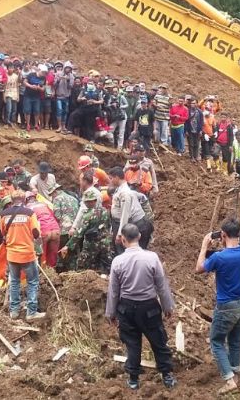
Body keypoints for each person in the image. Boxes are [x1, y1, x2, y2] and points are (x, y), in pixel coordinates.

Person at [105, 224, 177, 391]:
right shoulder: (152, 257)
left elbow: (113, 291)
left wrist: (111, 312)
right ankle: (167, 375)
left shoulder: (118, 261)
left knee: (132, 344)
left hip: (126, 308)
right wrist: (168, 306)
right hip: (149, 308)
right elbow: (162, 285)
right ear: (138, 237)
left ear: (123, 240)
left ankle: (133, 379)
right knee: (158, 342)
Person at [195, 219, 240, 394]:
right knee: (234, 341)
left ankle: (228, 380)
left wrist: (205, 246)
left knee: (216, 341)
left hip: (226, 306)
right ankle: (235, 374)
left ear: (223, 235)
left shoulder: (219, 257)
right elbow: (235, 250)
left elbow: (199, 268)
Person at [1, 190, 45, 320]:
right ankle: (31, 312)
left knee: (14, 282)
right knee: (32, 282)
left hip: (12, 254)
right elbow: (36, 233)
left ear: (11, 201)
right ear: (24, 200)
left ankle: (14, 311)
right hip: (27, 254)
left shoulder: (3, 215)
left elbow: (2, 232)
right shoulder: (30, 214)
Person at [60, 189, 112, 272]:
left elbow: (79, 233)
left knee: (82, 265)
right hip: (105, 242)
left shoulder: (87, 215)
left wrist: (68, 246)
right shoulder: (105, 211)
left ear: (87, 202)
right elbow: (108, 226)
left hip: (92, 244)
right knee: (105, 265)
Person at [109, 166, 150, 251]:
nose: (110, 180)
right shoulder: (121, 190)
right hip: (126, 223)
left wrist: (120, 234)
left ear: (116, 177)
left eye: (111, 178)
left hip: (133, 224)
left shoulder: (125, 193)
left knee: (128, 250)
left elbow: (125, 214)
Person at [48, 182, 80, 272]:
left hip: (64, 231)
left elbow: (57, 215)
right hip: (74, 230)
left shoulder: (57, 199)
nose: (52, 197)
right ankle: (73, 271)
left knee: (62, 253)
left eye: (52, 194)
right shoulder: (73, 198)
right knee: (73, 253)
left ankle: (63, 272)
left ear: (55, 191)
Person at [25, 191, 61, 267]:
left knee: (42, 257)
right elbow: (54, 216)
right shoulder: (44, 204)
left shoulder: (27, 208)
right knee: (52, 258)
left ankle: (42, 276)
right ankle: (52, 273)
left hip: (43, 231)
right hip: (55, 230)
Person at [184, 97, 203, 162]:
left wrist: (200, 130)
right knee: (191, 144)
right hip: (190, 130)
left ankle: (196, 156)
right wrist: (186, 130)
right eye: (192, 103)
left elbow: (201, 121)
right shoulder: (188, 111)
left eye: (194, 103)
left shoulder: (200, 112)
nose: (193, 104)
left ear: (197, 104)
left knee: (197, 144)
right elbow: (186, 121)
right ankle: (192, 156)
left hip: (197, 130)